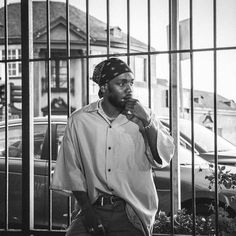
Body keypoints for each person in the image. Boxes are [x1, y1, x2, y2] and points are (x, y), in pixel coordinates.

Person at [51, 57, 175, 236]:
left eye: (131, 82)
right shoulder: (79, 120)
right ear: (104, 87)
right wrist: (87, 212)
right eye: (121, 83)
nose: (129, 88)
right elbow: (72, 170)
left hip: (132, 210)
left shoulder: (145, 115)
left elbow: (162, 157)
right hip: (93, 207)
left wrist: (146, 121)